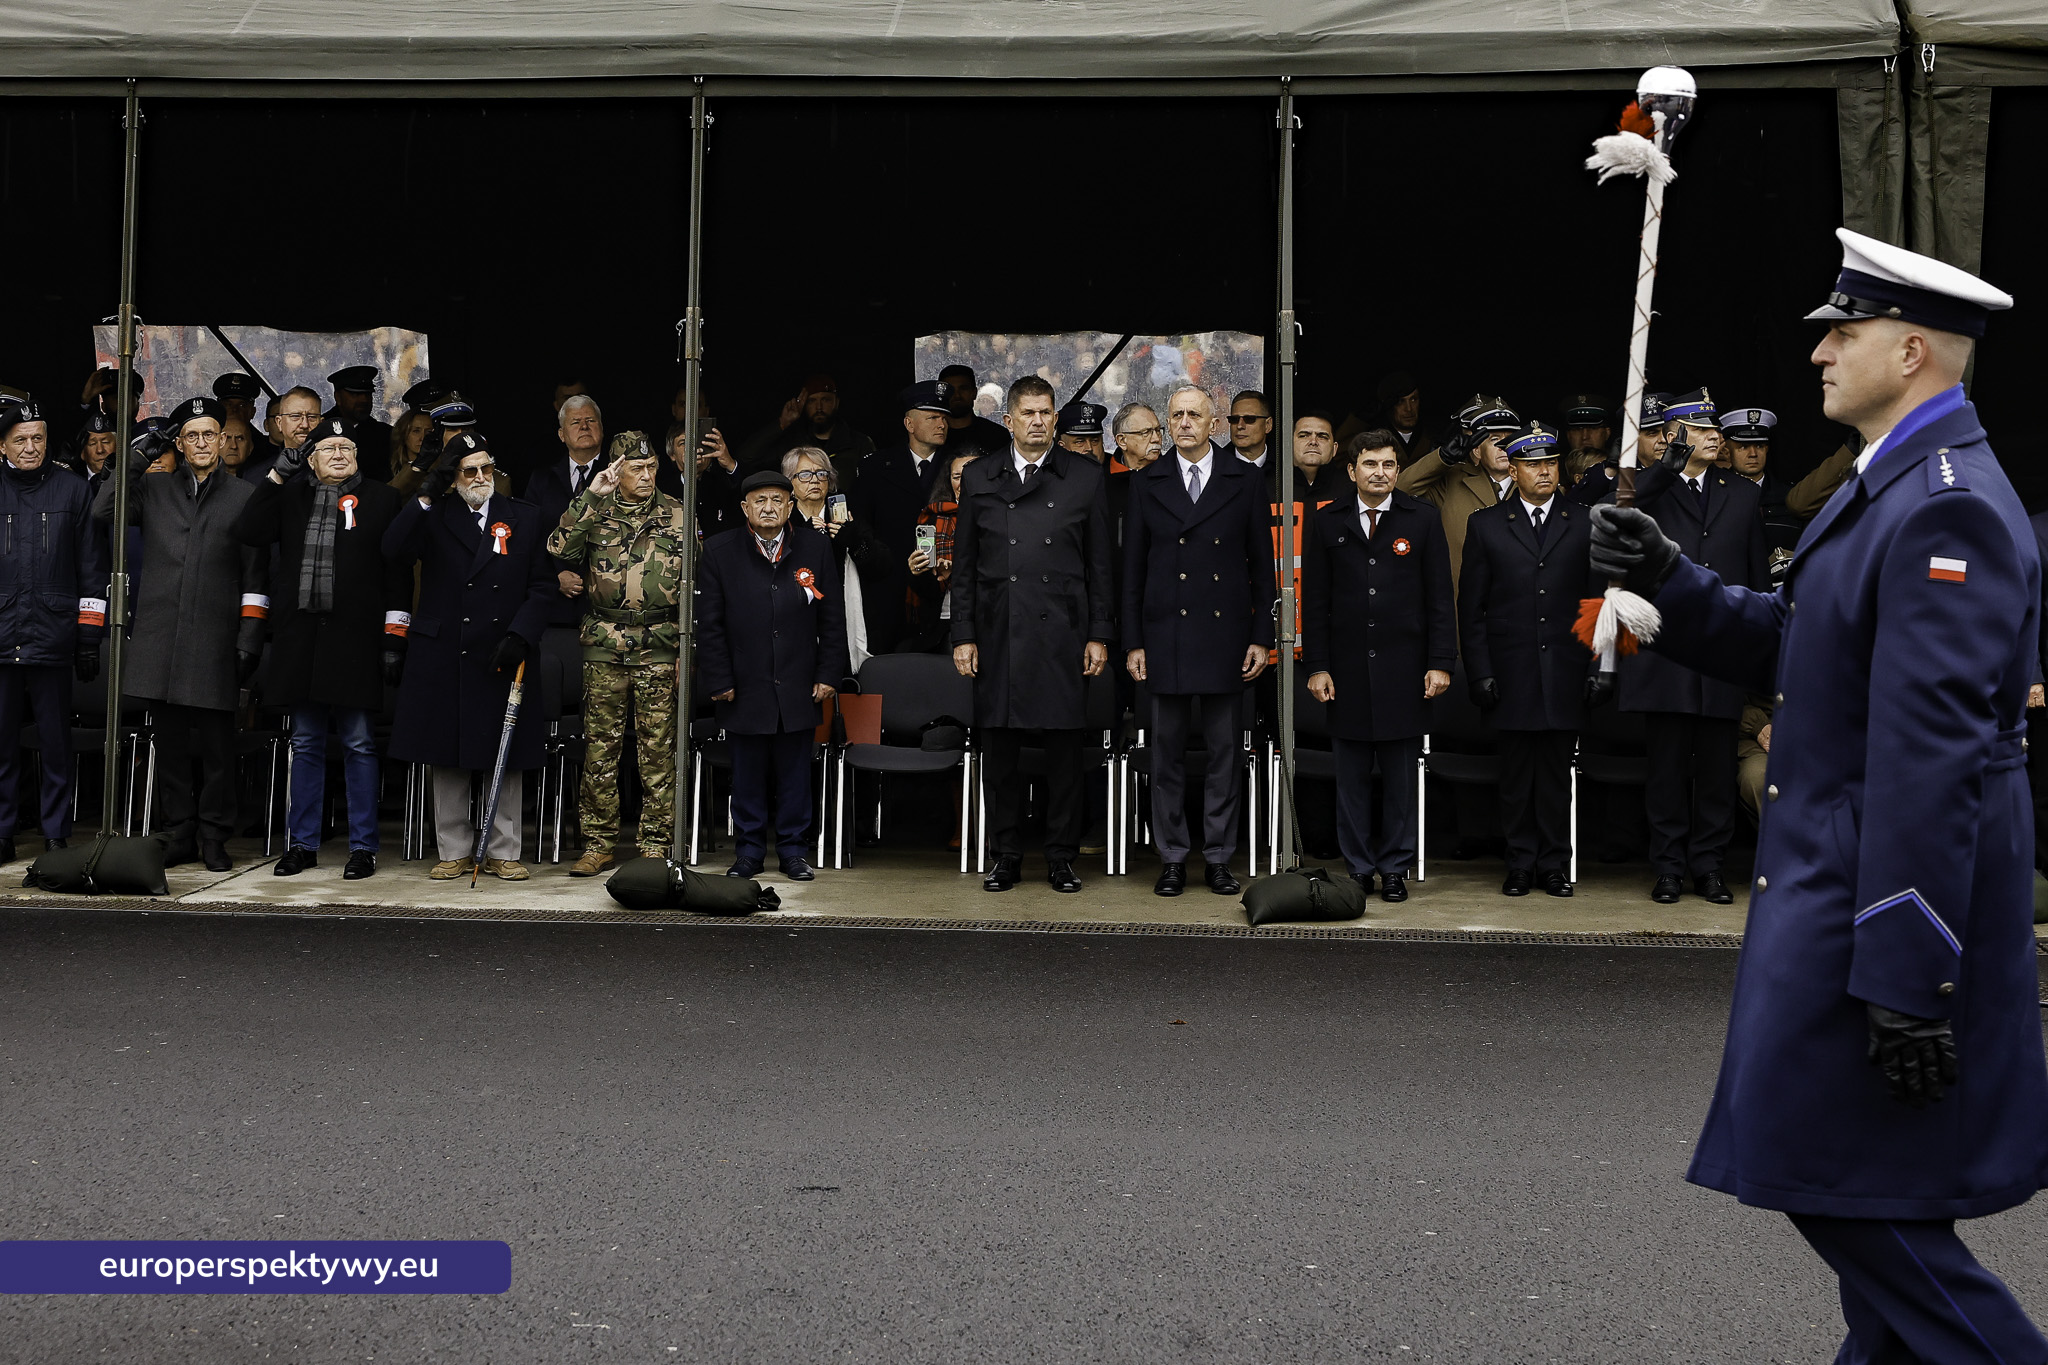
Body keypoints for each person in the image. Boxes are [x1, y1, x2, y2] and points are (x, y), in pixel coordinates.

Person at [1593, 227, 2048, 1363]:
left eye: (1844, 331)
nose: (1819, 352)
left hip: (1875, 909)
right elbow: (1807, 646)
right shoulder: (1890, 481)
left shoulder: (1942, 504)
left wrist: (1907, 972)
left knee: (1837, 1189)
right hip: (1847, 889)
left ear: (1911, 350)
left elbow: (1930, 759)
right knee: (1868, 1196)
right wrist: (1669, 577)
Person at [952, 375, 1116, 893]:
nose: (1039, 422)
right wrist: (963, 634)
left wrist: (1099, 633)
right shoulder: (979, 475)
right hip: (998, 628)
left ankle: (1061, 857)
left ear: (1055, 418)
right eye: (1028, 413)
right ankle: (1005, 855)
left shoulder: (1085, 475)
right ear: (1009, 421)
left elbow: (1101, 566)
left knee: (1064, 752)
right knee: (999, 751)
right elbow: (964, 565)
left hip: (1063, 630)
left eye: (1046, 412)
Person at [233, 417, 410, 880]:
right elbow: (248, 530)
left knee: (359, 744)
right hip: (302, 642)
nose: (338, 454)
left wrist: (394, 636)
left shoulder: (382, 498)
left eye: (346, 447)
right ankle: (302, 844)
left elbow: (397, 573)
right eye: (328, 448)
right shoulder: (291, 494)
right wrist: (276, 475)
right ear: (310, 459)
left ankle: (363, 848)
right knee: (307, 742)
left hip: (357, 641)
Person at [96, 397, 264, 871]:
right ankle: (180, 831)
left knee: (217, 748)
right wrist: (136, 456)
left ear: (223, 440)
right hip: (160, 638)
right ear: (180, 444)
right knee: (168, 746)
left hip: (216, 638)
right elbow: (103, 510)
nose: (203, 443)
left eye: (210, 434)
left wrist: (249, 638)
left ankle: (214, 835)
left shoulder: (245, 496)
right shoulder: (155, 488)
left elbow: (256, 575)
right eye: (192, 435)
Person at [1122, 383, 1275, 896]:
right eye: (1177, 415)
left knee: (1223, 755)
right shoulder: (1146, 482)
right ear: (1168, 425)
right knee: (1164, 754)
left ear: (1214, 424)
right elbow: (1132, 571)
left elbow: (1263, 568)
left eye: (1194, 414)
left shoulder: (1244, 480)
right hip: (1164, 633)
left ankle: (1218, 857)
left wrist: (1261, 637)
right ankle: (1170, 856)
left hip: (1225, 635)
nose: (1185, 422)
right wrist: (1134, 642)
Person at [1618, 391, 1768, 906]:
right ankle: (1667, 867)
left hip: (1722, 653)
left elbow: (1756, 578)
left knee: (1716, 772)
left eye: (1713, 429)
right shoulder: (1647, 487)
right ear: (1673, 434)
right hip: (1666, 653)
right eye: (1701, 428)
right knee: (1666, 770)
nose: (1714, 436)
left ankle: (1708, 867)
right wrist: (1665, 469)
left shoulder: (1741, 493)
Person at [384, 432, 554, 881]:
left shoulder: (525, 516)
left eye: (486, 468)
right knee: (447, 749)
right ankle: (454, 848)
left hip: (504, 647)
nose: (481, 478)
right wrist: (424, 493)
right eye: (469, 471)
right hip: (446, 649)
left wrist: (522, 633)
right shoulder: (435, 514)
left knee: (505, 750)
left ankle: (503, 850)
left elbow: (543, 585)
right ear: (453, 477)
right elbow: (392, 550)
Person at [1301, 430, 1453, 901]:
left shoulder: (1422, 518)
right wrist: (1317, 666)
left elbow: (1440, 598)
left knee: (1400, 778)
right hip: (1345, 670)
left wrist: (1440, 662)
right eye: (1370, 464)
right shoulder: (1328, 521)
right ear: (1352, 470)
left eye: (1389, 465)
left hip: (1405, 669)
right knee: (1350, 779)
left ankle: (1394, 868)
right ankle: (1359, 868)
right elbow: (1315, 601)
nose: (1380, 473)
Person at [546, 431, 692, 876]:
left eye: (651, 467)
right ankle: (598, 844)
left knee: (658, 751)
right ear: (616, 470)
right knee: (600, 751)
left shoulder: (677, 513)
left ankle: (655, 845)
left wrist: (687, 649)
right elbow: (559, 549)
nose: (647, 476)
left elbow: (698, 584)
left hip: (660, 644)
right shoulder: (595, 510)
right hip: (605, 645)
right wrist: (592, 495)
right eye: (636, 468)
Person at [1458, 421, 1595, 898]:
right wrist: (1479, 671)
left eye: (1551, 463)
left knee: (1556, 776)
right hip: (1510, 669)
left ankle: (1554, 864)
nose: (1544, 472)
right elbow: (1471, 608)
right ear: (1513, 471)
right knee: (1515, 776)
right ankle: (1519, 863)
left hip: (1566, 668)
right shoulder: (1487, 524)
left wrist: (1600, 665)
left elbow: (1599, 601)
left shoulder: (1584, 521)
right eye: (1533, 464)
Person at [696, 470, 848, 881]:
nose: (768, 508)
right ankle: (748, 852)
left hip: (799, 681)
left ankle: (793, 851)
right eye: (759, 500)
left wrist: (828, 672)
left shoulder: (815, 547)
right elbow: (709, 625)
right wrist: (719, 680)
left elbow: (832, 617)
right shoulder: (720, 550)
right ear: (744, 507)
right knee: (746, 774)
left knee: (795, 773)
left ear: (791, 506)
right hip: (744, 683)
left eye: (777, 500)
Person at [0, 399, 105, 864]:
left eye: (38, 438)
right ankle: (2, 831)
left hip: (54, 634)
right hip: (1, 635)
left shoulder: (72, 489)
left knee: (56, 742)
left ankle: (56, 833)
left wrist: (89, 637)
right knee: (1, 743)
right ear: (2, 446)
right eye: (20, 439)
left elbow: (92, 569)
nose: (30, 447)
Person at [850, 382, 954, 655]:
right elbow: (861, 522)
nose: (941, 424)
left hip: (943, 589)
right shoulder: (875, 467)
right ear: (909, 424)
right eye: (932, 417)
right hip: (889, 590)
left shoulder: (959, 465)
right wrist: (876, 562)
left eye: (945, 418)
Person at [1396, 395, 1520, 598]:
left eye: (1510, 439)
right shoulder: (1452, 482)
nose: (1503, 446)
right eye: (1494, 439)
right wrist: (1442, 458)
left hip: (1518, 604)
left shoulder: (1536, 487)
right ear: (1477, 450)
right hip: (1462, 603)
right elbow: (1399, 490)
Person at [787, 445, 883, 672]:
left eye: (821, 473)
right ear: (789, 482)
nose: (814, 480)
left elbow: (881, 567)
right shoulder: (784, 520)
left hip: (846, 616)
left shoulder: (849, 514)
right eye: (805, 474)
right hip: (797, 624)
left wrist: (854, 540)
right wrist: (805, 540)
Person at [522, 393, 606, 629]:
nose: (584, 427)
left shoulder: (619, 476)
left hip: (606, 611)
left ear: (601, 428)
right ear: (561, 434)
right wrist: (554, 577)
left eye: (590, 420)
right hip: (555, 611)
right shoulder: (542, 479)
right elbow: (528, 537)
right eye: (575, 422)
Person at [900, 452, 977, 654]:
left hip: (989, 620)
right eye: (957, 476)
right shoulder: (934, 519)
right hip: (944, 623)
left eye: (972, 474)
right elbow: (927, 592)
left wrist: (958, 571)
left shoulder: (1002, 516)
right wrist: (918, 573)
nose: (964, 482)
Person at [740, 374, 874, 483]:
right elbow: (746, 458)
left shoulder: (859, 443)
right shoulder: (792, 443)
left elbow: (874, 483)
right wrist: (782, 424)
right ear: (804, 405)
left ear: (836, 402)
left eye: (825, 400)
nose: (819, 407)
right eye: (812, 401)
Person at [247, 386, 324, 484]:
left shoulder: (336, 467)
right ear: (279, 423)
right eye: (295, 416)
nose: (305, 425)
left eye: (312, 417)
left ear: (321, 422)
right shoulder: (256, 476)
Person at [938, 364, 1014, 459]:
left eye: (963, 389)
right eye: (950, 390)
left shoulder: (997, 435)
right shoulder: (932, 436)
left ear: (974, 393)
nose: (957, 395)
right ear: (941, 395)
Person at [1557, 393, 1612, 484]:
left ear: (1607, 433)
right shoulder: (1554, 473)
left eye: (1593, 428)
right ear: (1568, 435)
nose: (1585, 436)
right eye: (1578, 429)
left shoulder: (1622, 468)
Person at [1226, 390, 1273, 469]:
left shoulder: (1285, 463)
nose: (1240, 426)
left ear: (1268, 425)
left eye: (1249, 419)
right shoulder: (1215, 465)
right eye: (1234, 419)